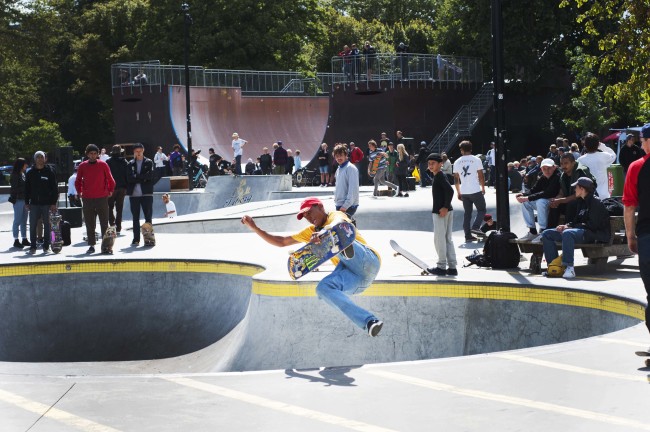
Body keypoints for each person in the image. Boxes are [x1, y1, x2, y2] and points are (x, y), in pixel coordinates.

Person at [241, 197, 383, 336]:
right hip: (358, 281)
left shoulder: (336, 215)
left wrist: (323, 234)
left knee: (335, 233)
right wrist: (254, 228)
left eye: (309, 212)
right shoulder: (310, 232)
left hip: (367, 261)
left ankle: (341, 244)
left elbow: (339, 222)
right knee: (323, 289)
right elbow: (282, 241)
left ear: (320, 207)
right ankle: (369, 322)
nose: (308, 217)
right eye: (305, 216)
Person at [541, 177, 610, 279]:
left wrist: (569, 228)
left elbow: (592, 225)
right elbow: (576, 221)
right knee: (547, 234)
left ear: (582, 189)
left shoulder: (596, 203)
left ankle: (569, 268)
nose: (574, 190)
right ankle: (554, 268)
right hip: (582, 231)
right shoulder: (580, 201)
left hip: (594, 234)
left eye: (576, 187)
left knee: (568, 233)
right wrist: (566, 225)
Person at [623, 122, 650, 346]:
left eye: (642, 141)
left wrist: (630, 236)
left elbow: (630, 206)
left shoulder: (636, 167)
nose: (641, 146)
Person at [75, 144, 116, 254]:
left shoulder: (103, 165)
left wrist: (110, 190)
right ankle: (91, 245)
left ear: (98, 154)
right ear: (87, 154)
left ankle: (106, 245)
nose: (93, 156)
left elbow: (110, 179)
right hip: (87, 198)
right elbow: (78, 180)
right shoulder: (82, 166)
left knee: (104, 222)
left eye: (95, 153)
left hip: (101, 197)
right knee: (89, 223)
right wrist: (80, 192)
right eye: (91, 153)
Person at [426, 153, 457, 276]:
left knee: (440, 239)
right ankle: (452, 267)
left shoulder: (439, 176)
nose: (431, 166)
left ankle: (441, 266)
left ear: (440, 164)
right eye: (429, 163)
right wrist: (447, 206)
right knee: (447, 239)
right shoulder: (439, 175)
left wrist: (444, 206)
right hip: (447, 210)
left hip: (441, 212)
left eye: (433, 163)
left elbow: (450, 190)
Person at [516, 158, 560, 242]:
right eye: (544, 168)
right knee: (525, 202)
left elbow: (547, 193)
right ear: (541, 169)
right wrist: (523, 195)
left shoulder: (557, 176)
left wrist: (528, 197)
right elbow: (534, 189)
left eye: (549, 168)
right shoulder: (543, 177)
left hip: (556, 204)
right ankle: (532, 231)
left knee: (541, 201)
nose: (547, 171)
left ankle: (543, 232)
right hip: (546, 202)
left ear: (554, 167)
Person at [548, 153, 593, 229]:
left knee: (571, 204)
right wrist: (556, 200)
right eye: (561, 163)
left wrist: (561, 200)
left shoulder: (581, 172)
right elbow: (561, 192)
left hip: (585, 203)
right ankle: (550, 231)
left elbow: (579, 195)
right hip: (569, 201)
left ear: (573, 163)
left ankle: (566, 230)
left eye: (566, 163)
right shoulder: (563, 175)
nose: (563, 166)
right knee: (554, 205)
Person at [453, 140, 486, 242]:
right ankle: (476, 227)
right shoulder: (476, 159)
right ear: (471, 149)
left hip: (464, 191)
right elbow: (481, 175)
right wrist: (483, 187)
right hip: (475, 190)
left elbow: (456, 179)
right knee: (482, 209)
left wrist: (458, 192)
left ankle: (468, 236)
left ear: (461, 150)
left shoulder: (457, 161)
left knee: (467, 213)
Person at [25, 151, 58, 253]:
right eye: (38, 157)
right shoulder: (30, 172)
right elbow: (27, 189)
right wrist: (27, 202)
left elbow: (55, 189)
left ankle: (46, 246)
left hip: (47, 203)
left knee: (48, 226)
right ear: (35, 159)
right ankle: (33, 247)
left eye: (41, 157)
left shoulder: (50, 172)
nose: (40, 159)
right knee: (33, 225)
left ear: (45, 159)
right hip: (34, 203)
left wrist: (53, 203)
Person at [126, 143, 155, 246]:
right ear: (134, 152)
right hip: (134, 194)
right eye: (136, 151)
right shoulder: (130, 163)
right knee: (135, 218)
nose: (138, 153)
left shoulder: (149, 162)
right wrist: (143, 177)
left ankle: (149, 238)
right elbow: (129, 178)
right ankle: (136, 239)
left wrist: (137, 176)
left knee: (148, 217)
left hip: (146, 193)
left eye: (140, 151)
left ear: (143, 151)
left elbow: (150, 176)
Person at [577, 132, 616, 198]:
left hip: (587, 196)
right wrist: (602, 145)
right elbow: (613, 155)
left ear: (585, 145)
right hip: (604, 195)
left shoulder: (580, 160)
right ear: (598, 144)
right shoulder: (605, 156)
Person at [333, 144, 359, 220]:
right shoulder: (339, 169)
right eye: (337, 156)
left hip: (348, 206)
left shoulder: (350, 168)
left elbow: (353, 189)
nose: (339, 158)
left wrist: (345, 206)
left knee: (343, 229)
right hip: (339, 204)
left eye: (341, 155)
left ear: (346, 155)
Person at [106, 144, 128, 233]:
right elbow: (127, 174)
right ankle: (118, 226)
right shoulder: (124, 161)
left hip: (111, 188)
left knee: (109, 207)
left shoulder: (108, 162)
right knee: (119, 208)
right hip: (122, 187)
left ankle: (112, 224)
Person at [9, 157, 30, 248]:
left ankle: (24, 238)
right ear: (21, 165)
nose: (27, 165)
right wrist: (25, 188)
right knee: (17, 221)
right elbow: (14, 189)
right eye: (25, 164)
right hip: (18, 200)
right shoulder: (15, 175)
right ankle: (16, 240)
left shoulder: (22, 174)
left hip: (24, 200)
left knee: (24, 221)